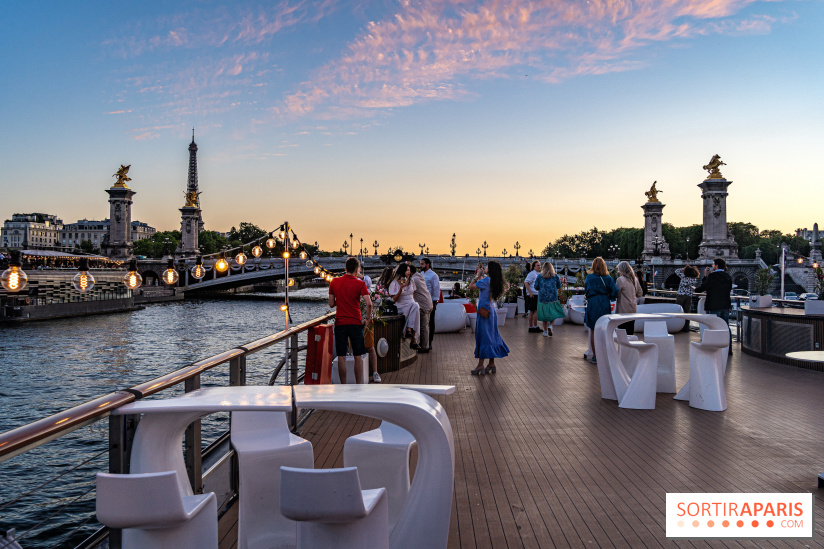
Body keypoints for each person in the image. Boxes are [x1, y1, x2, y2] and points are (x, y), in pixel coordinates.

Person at [328, 257, 371, 384]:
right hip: (356, 323)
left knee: (341, 356)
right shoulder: (361, 284)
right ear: (357, 270)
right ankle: (358, 385)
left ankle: (343, 385)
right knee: (358, 356)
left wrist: (341, 299)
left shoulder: (334, 282)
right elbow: (369, 304)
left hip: (340, 323)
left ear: (345, 268)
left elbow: (331, 304)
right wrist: (367, 319)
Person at [468, 260, 510, 375]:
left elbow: (471, 287)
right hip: (491, 312)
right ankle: (491, 363)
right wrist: (481, 275)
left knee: (483, 337)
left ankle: (480, 365)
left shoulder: (486, 280)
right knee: (492, 336)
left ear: (490, 269)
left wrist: (477, 275)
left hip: (483, 312)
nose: (485, 267)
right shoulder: (494, 281)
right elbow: (483, 285)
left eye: (487, 266)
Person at [695, 257, 733, 353]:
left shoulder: (712, 276)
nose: (712, 266)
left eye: (713, 264)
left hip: (714, 305)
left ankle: (715, 348)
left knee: (714, 327)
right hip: (725, 305)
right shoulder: (728, 276)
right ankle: (728, 348)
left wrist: (705, 276)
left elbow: (704, 287)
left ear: (716, 266)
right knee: (726, 327)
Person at [584, 257, 618, 364]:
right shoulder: (608, 278)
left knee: (594, 330)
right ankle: (604, 354)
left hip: (593, 303)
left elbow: (587, 290)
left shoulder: (589, 278)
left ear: (593, 266)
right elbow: (615, 292)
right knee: (604, 329)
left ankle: (595, 356)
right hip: (604, 302)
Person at [389, 262, 421, 348]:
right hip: (401, 305)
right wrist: (401, 288)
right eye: (407, 270)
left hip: (411, 303)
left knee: (415, 305)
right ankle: (413, 340)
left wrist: (411, 302)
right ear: (402, 271)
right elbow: (394, 299)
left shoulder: (411, 281)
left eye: (409, 270)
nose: (409, 272)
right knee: (415, 307)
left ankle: (409, 329)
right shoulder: (394, 283)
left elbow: (412, 294)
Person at [357, 266, 380, 382]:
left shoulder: (365, 280)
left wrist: (358, 275)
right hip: (355, 318)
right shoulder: (352, 283)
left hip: (366, 318)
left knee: (370, 347)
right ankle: (359, 375)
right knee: (354, 348)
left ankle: (375, 372)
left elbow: (367, 281)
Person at [534, 262, 563, 337]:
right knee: (553, 313)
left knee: (544, 314)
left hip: (542, 298)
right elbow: (559, 286)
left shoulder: (540, 276)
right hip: (553, 297)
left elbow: (536, 287)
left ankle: (545, 331)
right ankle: (551, 325)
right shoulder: (555, 276)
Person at [409, 265, 434, 353]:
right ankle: (426, 345)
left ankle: (424, 347)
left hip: (423, 305)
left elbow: (408, 291)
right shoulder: (420, 276)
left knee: (423, 327)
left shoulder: (413, 279)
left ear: (411, 272)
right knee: (426, 326)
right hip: (428, 303)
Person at [614, 261, 643, 335]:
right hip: (633, 308)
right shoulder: (635, 279)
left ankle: (623, 347)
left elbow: (615, 294)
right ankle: (629, 346)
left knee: (622, 333)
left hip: (623, 310)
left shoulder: (620, 279)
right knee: (630, 332)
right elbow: (640, 293)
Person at [421, 258, 440, 349]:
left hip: (430, 302)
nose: (420, 266)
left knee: (430, 323)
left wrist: (435, 302)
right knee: (423, 323)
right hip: (421, 302)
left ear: (427, 264)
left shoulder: (433, 275)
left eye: (422, 264)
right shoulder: (420, 274)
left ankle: (430, 342)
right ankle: (423, 342)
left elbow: (436, 290)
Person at [675, 265, 700, 331]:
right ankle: (686, 328)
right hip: (689, 296)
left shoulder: (683, 277)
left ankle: (677, 327)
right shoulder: (694, 280)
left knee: (678, 311)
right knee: (687, 312)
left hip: (681, 295)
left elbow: (676, 271)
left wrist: (684, 268)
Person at [524, 260, 541, 333]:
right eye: (538, 265)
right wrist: (530, 292)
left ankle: (532, 327)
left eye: (540, 265)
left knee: (532, 311)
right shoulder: (532, 274)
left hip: (535, 294)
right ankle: (534, 326)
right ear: (534, 267)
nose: (539, 266)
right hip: (533, 294)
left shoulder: (537, 274)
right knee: (535, 311)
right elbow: (526, 282)